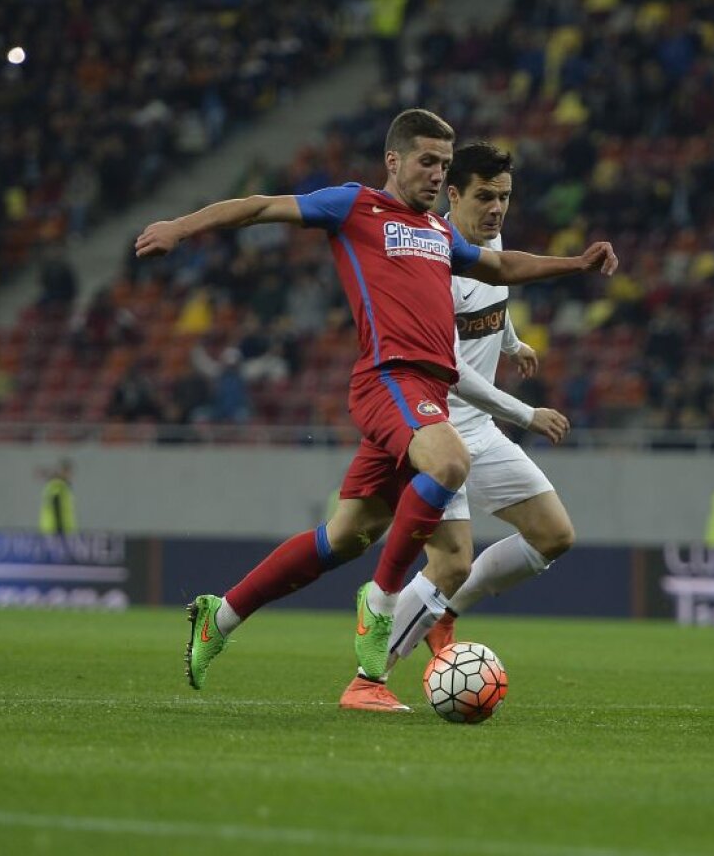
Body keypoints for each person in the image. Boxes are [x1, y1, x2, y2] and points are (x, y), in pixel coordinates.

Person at [135, 108, 617, 705]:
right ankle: (382, 604)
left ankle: (222, 615)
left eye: (444, 163)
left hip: (420, 397)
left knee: (345, 537)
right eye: (427, 161)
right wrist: (181, 228)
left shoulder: (441, 236)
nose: (437, 174)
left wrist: (575, 264)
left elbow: (501, 266)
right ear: (394, 161)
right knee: (450, 463)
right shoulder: (353, 207)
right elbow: (261, 206)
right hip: (389, 379)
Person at [338, 142, 577, 711]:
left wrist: (513, 342)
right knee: (451, 562)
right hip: (437, 429)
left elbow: (493, 300)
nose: (497, 209)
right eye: (486, 197)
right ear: (454, 194)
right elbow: (450, 371)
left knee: (554, 535)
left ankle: (439, 611)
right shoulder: (434, 259)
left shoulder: (487, 248)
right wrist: (525, 412)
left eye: (505, 198)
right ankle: (368, 679)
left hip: (482, 431)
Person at [38, 458, 77, 535]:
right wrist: (60, 530)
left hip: (50, 530)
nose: (70, 474)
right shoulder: (59, 486)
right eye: (67, 471)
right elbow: (57, 508)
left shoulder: (53, 485)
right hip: (57, 531)